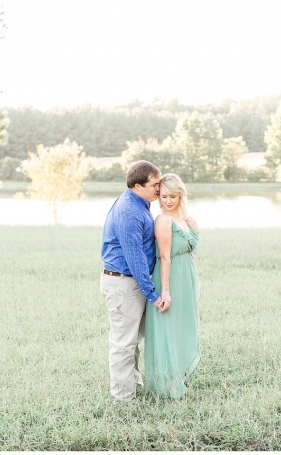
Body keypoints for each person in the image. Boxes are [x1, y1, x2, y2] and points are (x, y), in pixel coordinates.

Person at [100, 160, 170, 403]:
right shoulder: (130, 211)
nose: (159, 189)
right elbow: (135, 258)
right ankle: (123, 399)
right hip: (123, 283)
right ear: (138, 185)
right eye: (155, 185)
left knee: (132, 341)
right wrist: (152, 294)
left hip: (131, 283)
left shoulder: (139, 204)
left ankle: (133, 386)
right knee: (124, 344)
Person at [145, 173, 201, 399]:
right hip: (169, 279)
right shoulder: (163, 220)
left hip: (185, 278)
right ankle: (165, 384)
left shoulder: (185, 220)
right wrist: (165, 291)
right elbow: (165, 257)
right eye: (164, 196)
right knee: (167, 327)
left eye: (173, 196)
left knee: (182, 326)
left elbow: (189, 248)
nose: (168, 201)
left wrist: (195, 230)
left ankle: (179, 376)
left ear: (181, 196)